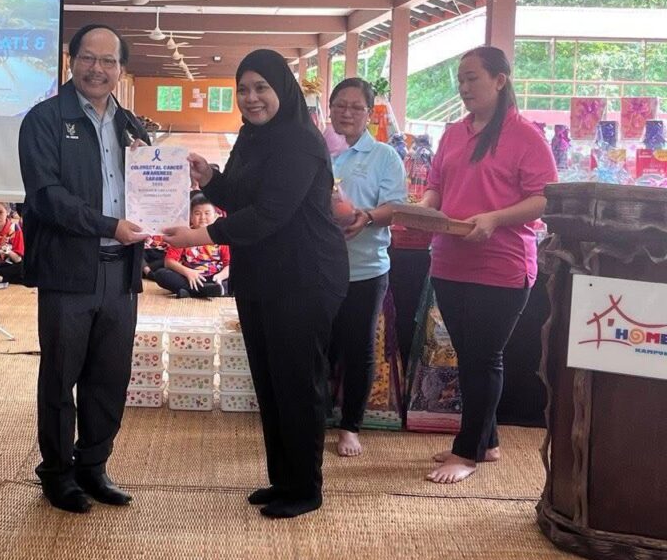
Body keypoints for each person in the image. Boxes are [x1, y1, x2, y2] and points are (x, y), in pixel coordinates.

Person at [164, 49, 349, 519]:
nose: (252, 98)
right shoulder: (252, 135)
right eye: (243, 89)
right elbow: (242, 196)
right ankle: (283, 479)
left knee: (298, 383)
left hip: (304, 277)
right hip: (261, 275)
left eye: (261, 87)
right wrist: (210, 178)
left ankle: (305, 488)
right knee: (269, 381)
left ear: (282, 88)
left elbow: (269, 214)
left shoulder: (300, 141)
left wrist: (198, 236)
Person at [18, 24, 151, 514]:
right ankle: (57, 473)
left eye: (109, 61)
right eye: (88, 59)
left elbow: (150, 188)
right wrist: (108, 225)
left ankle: (94, 465)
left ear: (121, 69)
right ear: (71, 61)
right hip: (68, 271)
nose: (98, 69)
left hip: (121, 273)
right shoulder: (45, 119)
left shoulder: (131, 125)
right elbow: (46, 197)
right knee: (60, 377)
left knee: (109, 377)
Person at [419, 45, 557, 484]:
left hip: (501, 264)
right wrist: (424, 209)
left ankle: (467, 452)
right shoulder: (453, 133)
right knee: (468, 356)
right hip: (449, 260)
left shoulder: (525, 135)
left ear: (500, 80)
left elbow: (545, 198)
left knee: (483, 358)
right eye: (460, 79)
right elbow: (435, 185)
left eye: (472, 78)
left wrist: (495, 218)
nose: (464, 87)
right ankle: (488, 440)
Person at [326, 78, 407, 457]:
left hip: (365, 269)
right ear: (329, 109)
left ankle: (350, 426)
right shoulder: (315, 150)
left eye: (356, 107)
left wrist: (368, 217)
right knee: (318, 346)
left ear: (369, 113)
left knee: (358, 347)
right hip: (317, 269)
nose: (347, 112)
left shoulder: (384, 156)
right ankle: (316, 414)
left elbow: (396, 206)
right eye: (340, 105)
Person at [153, 193, 230, 298]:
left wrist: (220, 276)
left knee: (241, 275)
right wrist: (188, 272)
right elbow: (169, 262)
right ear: (190, 217)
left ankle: (191, 291)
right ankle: (208, 291)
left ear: (216, 215)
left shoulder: (220, 236)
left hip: (214, 278)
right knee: (161, 274)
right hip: (189, 277)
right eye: (197, 213)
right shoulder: (183, 235)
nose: (202, 217)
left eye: (207, 213)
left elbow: (229, 265)